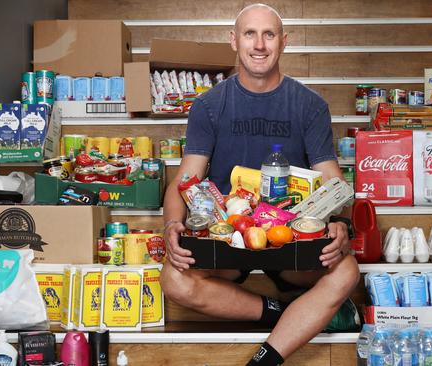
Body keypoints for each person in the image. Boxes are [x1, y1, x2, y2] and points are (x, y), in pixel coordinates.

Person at [159, 3, 360, 365]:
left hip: (292, 236)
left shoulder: (309, 105)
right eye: (250, 34)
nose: (259, 45)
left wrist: (339, 223)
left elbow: (331, 178)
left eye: (269, 34)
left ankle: (266, 358)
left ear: (284, 42)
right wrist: (173, 225)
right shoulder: (208, 106)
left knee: (346, 270)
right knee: (174, 281)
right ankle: (282, 313)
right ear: (233, 40)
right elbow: (185, 179)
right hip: (228, 234)